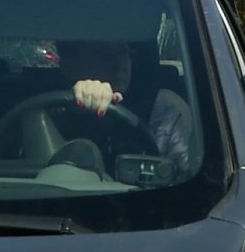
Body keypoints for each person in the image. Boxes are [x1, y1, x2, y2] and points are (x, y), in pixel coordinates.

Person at [55, 40, 191, 179]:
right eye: (103, 55)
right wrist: (76, 108)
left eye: (123, 53)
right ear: (69, 65)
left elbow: (187, 178)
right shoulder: (50, 112)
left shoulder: (164, 110)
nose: (119, 64)